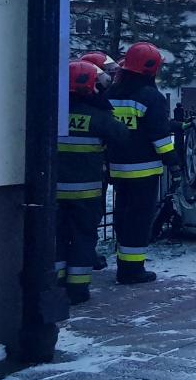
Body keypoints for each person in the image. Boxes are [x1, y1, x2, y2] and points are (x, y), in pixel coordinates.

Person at [105, 42, 181, 284]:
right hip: (144, 171)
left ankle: (122, 265)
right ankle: (132, 270)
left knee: (123, 215)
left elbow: (131, 126)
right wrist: (174, 164)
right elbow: (159, 137)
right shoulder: (152, 97)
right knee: (139, 219)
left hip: (116, 168)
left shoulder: (111, 95)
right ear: (151, 70)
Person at [56, 61, 130, 304]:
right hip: (86, 195)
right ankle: (78, 289)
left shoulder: (53, 113)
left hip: (53, 193)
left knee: (55, 237)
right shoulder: (98, 116)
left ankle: (54, 285)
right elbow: (122, 136)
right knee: (82, 238)